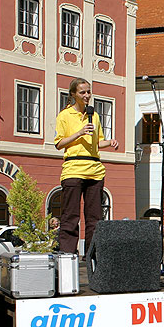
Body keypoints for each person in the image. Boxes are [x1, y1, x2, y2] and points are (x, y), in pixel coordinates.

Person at [54, 77, 118, 255]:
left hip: (95, 171)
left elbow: (97, 142)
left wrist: (110, 142)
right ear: (74, 94)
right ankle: (68, 254)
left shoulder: (94, 115)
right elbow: (59, 144)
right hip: (73, 169)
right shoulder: (65, 115)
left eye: (88, 91)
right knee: (71, 216)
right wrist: (79, 132)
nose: (87, 95)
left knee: (95, 218)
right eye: (82, 92)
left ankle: (92, 255)